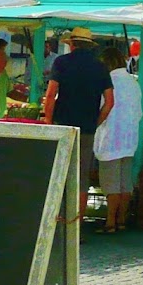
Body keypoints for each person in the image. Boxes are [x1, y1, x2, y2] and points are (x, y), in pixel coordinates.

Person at [43, 27, 114, 221]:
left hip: (62, 126)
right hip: (87, 129)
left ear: (72, 44)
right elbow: (109, 102)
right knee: (81, 178)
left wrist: (49, 121)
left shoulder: (61, 62)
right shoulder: (100, 67)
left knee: (57, 173)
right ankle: (77, 227)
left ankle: (54, 221)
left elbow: (50, 95)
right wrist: (96, 122)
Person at [93, 48, 143, 234]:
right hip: (129, 138)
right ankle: (121, 219)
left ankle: (110, 222)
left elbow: (101, 107)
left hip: (110, 137)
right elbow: (138, 112)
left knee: (110, 183)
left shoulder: (107, 81)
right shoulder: (133, 82)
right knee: (125, 182)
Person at [0, 38, 9, 119]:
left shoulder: (3, 74)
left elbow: (9, 91)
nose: (5, 63)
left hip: (0, 117)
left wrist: (26, 98)